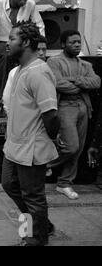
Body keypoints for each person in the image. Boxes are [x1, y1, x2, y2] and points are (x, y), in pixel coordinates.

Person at [2, 21, 60, 246]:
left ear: (25, 42)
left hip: (31, 148)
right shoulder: (19, 70)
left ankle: (36, 238)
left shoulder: (39, 72)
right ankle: (40, 226)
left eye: (11, 39)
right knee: (9, 185)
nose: (7, 43)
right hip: (14, 146)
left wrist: (51, 139)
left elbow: (51, 115)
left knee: (33, 197)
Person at [47, 30, 101, 200]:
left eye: (79, 42)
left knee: (78, 149)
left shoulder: (86, 65)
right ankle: (42, 165)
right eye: (73, 42)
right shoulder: (54, 61)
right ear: (63, 44)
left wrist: (74, 80)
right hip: (65, 106)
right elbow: (58, 83)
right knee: (71, 146)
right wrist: (81, 83)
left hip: (84, 107)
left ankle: (64, 183)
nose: (77, 45)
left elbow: (96, 82)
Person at [0, 0, 45, 112]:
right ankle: (3, 95)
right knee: (5, 57)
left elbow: (40, 25)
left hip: (22, 43)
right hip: (2, 42)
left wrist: (39, 45)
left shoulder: (31, 5)